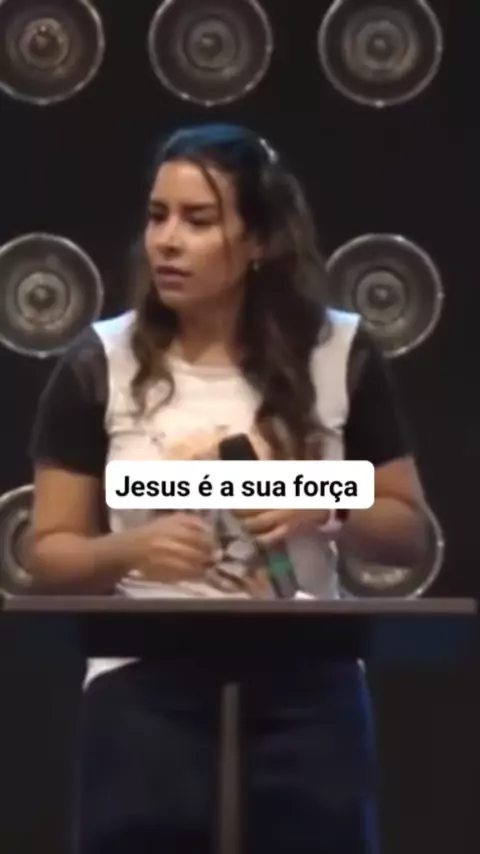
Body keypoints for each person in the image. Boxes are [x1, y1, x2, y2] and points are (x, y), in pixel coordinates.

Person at [27, 122, 429, 854]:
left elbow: (409, 534)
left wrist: (324, 496)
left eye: (198, 220)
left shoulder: (339, 352)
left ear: (258, 241)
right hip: (144, 682)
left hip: (308, 683)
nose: (167, 241)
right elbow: (48, 553)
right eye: (157, 217)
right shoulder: (101, 360)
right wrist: (129, 551)